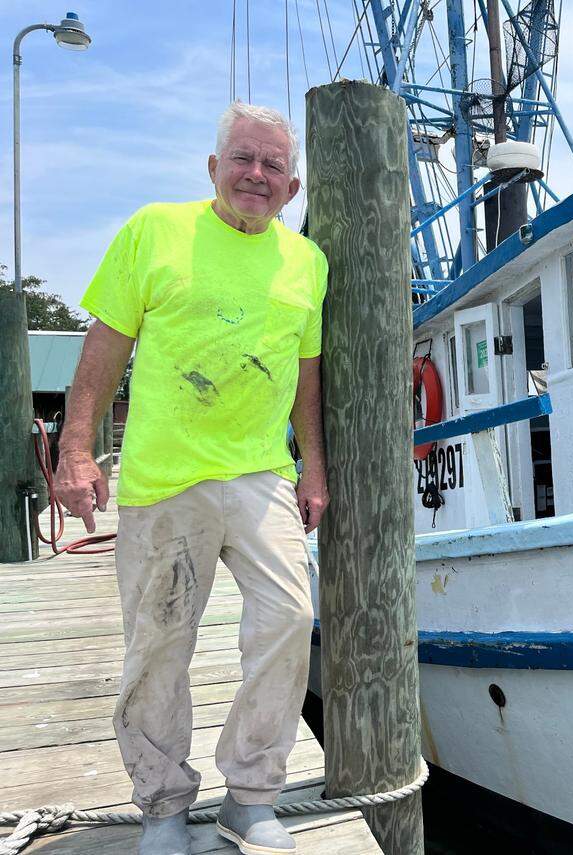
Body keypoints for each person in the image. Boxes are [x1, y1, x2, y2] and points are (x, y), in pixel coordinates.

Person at [55, 102, 329, 855]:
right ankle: (163, 806)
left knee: (286, 617)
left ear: (293, 184)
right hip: (164, 478)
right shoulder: (155, 230)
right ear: (213, 167)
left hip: (260, 472)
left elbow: (307, 375)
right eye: (243, 158)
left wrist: (314, 465)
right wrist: (76, 449)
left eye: (273, 165)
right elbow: (103, 349)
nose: (256, 174)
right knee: (159, 644)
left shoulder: (306, 261)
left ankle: (251, 794)